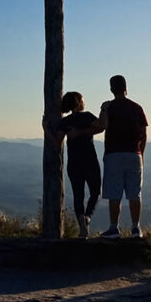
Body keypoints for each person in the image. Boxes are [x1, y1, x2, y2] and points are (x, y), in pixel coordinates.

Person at [90, 75, 148, 239]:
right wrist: (140, 153)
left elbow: (102, 126)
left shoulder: (109, 107)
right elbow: (143, 134)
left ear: (111, 89)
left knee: (115, 194)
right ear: (125, 88)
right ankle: (136, 228)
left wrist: (103, 109)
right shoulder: (136, 107)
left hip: (114, 154)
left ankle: (114, 228)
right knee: (134, 193)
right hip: (133, 154)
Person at [58, 91, 101, 239]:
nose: (84, 101)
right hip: (90, 160)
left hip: (74, 163)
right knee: (95, 191)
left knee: (78, 195)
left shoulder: (66, 121)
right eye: (83, 99)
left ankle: (82, 222)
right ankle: (87, 217)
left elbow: (56, 142)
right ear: (79, 102)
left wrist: (45, 128)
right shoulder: (87, 116)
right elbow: (101, 126)